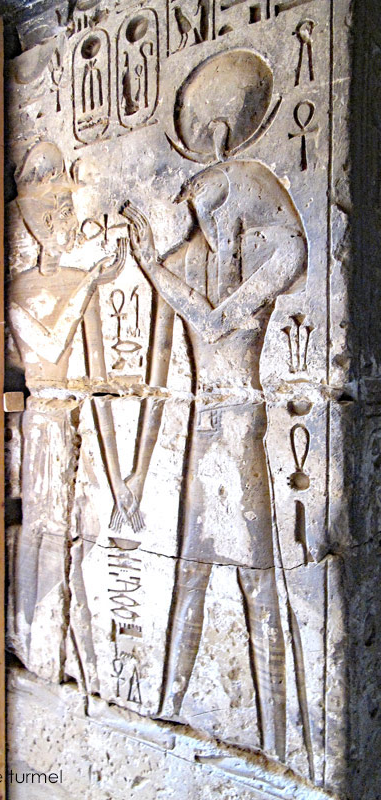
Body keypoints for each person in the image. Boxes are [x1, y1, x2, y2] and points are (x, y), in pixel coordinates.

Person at [121, 134, 307, 758]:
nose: (204, 226)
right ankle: (171, 706)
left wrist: (151, 266)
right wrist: (155, 262)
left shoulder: (269, 263)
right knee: (190, 574)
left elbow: (211, 319)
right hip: (206, 434)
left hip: (238, 431)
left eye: (208, 206)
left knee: (258, 584)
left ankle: (277, 737)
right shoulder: (199, 261)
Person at [8, 142, 142, 683]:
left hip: (69, 421)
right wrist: (89, 281)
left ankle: (74, 650)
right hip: (43, 424)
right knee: (43, 531)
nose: (70, 220)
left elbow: (96, 366)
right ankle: (35, 642)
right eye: (61, 211)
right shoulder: (20, 287)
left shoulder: (75, 281)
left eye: (69, 209)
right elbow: (48, 343)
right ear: (40, 222)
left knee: (71, 533)